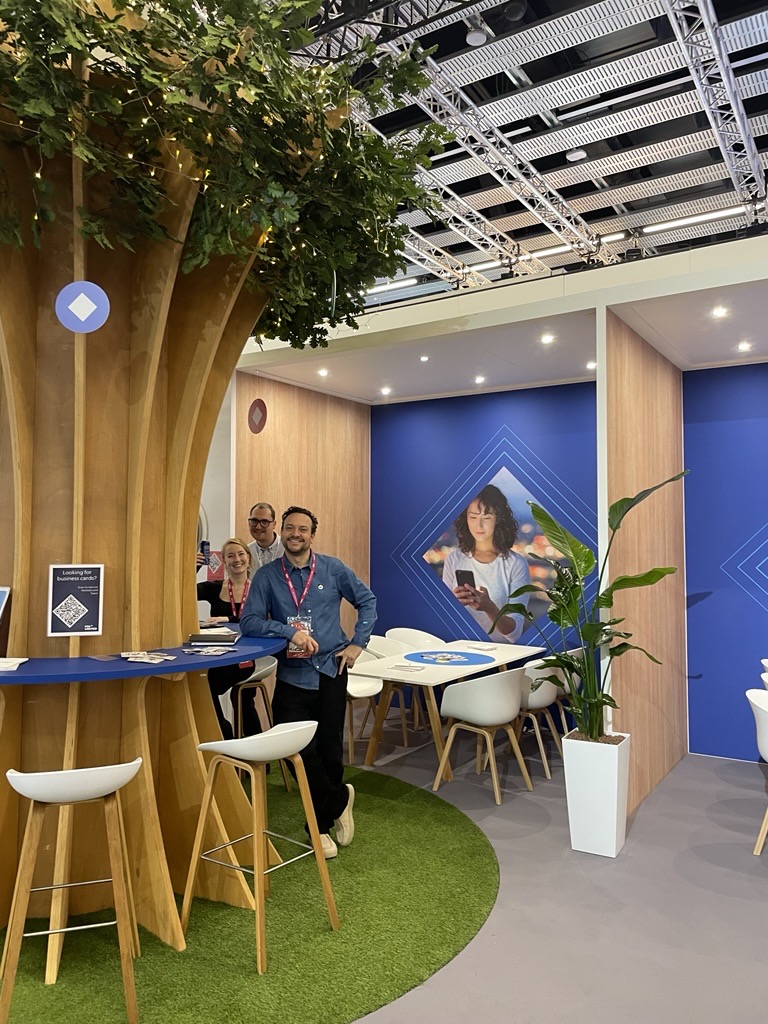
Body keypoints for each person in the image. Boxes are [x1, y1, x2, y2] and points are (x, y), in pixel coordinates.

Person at [240, 506, 377, 860]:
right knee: (292, 750)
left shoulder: (333, 569)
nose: (295, 534)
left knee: (329, 751)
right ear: (282, 532)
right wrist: (289, 632)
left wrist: (358, 643)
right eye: (290, 528)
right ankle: (339, 799)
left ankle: (319, 827)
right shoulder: (267, 576)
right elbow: (249, 621)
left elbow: (367, 601)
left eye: (303, 529)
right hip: (291, 676)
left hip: (331, 671)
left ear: (312, 535)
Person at [441, 484, 531, 643]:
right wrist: (453, 604)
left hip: (501, 652)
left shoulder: (516, 564)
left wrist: (489, 607)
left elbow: (515, 633)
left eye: (487, 517)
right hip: (461, 647)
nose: (479, 525)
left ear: (498, 519)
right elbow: (443, 618)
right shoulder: (454, 559)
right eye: (473, 517)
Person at [197, 537, 262, 740]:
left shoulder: (259, 589)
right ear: (224, 561)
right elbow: (182, 594)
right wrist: (193, 569)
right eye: (231, 556)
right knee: (203, 686)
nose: (237, 559)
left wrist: (229, 619)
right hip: (220, 657)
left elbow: (263, 619)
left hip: (248, 658)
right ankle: (225, 734)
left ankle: (254, 745)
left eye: (241, 554)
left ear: (248, 558)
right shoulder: (215, 588)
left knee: (241, 697)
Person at [247, 501, 283, 570]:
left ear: (274, 524)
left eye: (264, 522)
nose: (258, 527)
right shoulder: (247, 552)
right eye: (254, 521)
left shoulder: (286, 550)